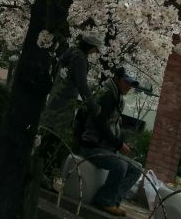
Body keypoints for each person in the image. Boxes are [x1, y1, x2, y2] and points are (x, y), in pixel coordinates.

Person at [39, 32, 104, 183]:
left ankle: (39, 168)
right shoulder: (80, 58)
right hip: (65, 102)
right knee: (55, 138)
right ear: (91, 47)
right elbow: (82, 84)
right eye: (95, 49)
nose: (96, 52)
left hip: (55, 97)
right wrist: (93, 105)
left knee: (47, 134)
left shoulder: (69, 53)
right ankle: (43, 173)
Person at [78, 66, 141, 216]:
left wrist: (121, 142)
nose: (129, 87)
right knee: (120, 166)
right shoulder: (107, 95)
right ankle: (105, 200)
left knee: (137, 168)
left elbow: (113, 127)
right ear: (117, 79)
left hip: (105, 148)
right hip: (92, 147)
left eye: (131, 84)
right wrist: (119, 144)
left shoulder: (117, 97)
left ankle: (112, 200)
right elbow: (101, 125)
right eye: (127, 82)